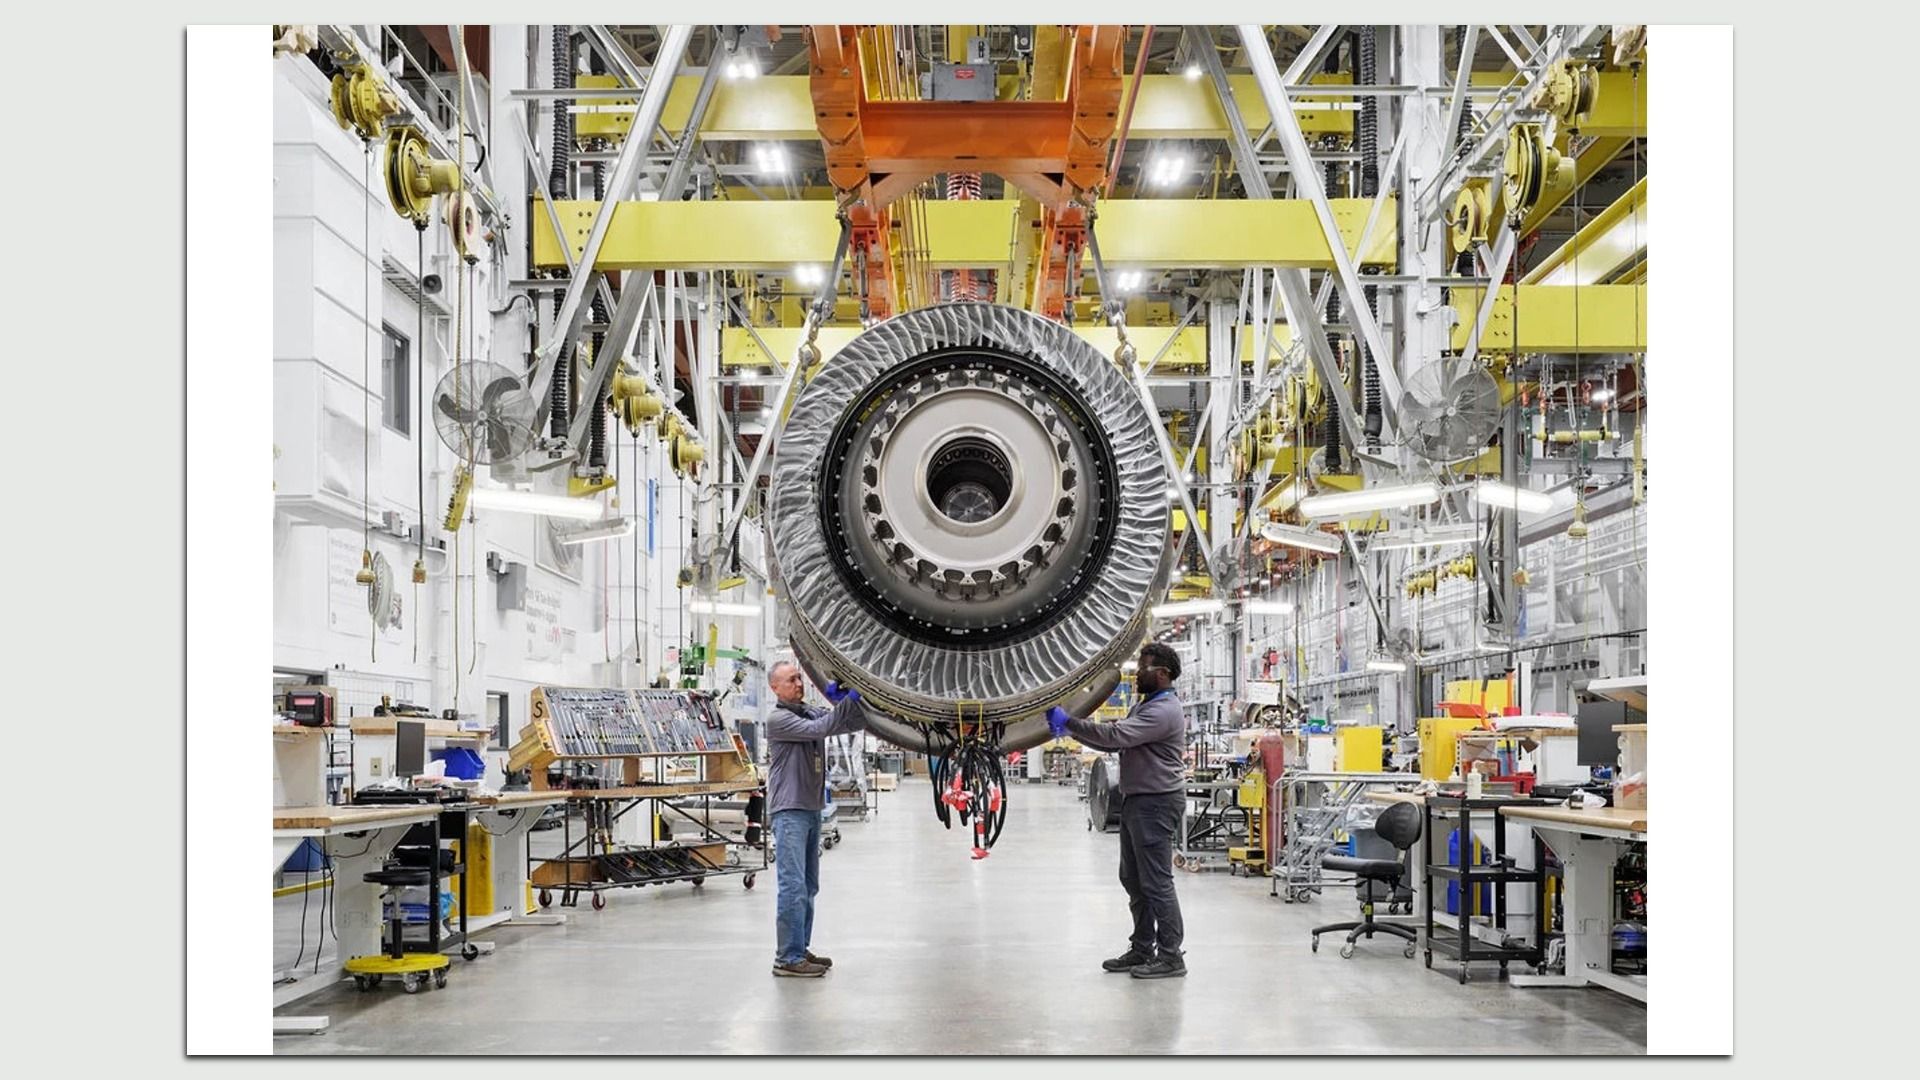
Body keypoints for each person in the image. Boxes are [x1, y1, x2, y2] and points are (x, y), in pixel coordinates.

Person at [1048, 642, 1190, 979]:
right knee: (1134, 879)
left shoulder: (1164, 710)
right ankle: (1143, 948)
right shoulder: (1146, 706)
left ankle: (1171, 956)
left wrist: (1070, 723)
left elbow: (1116, 736)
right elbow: (1114, 740)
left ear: (1163, 674)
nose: (1137, 672)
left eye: (1144, 667)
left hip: (1156, 802)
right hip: (1138, 800)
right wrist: (1071, 727)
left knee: (1156, 882)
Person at [765, 660, 866, 978]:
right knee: (792, 885)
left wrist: (849, 700)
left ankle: (799, 949)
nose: (799, 683)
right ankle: (787, 958)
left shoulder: (807, 712)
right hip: (790, 811)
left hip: (809, 809)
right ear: (775, 688)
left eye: (799, 678)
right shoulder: (778, 719)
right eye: (791, 680)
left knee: (808, 885)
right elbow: (822, 729)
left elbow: (848, 724)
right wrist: (848, 697)